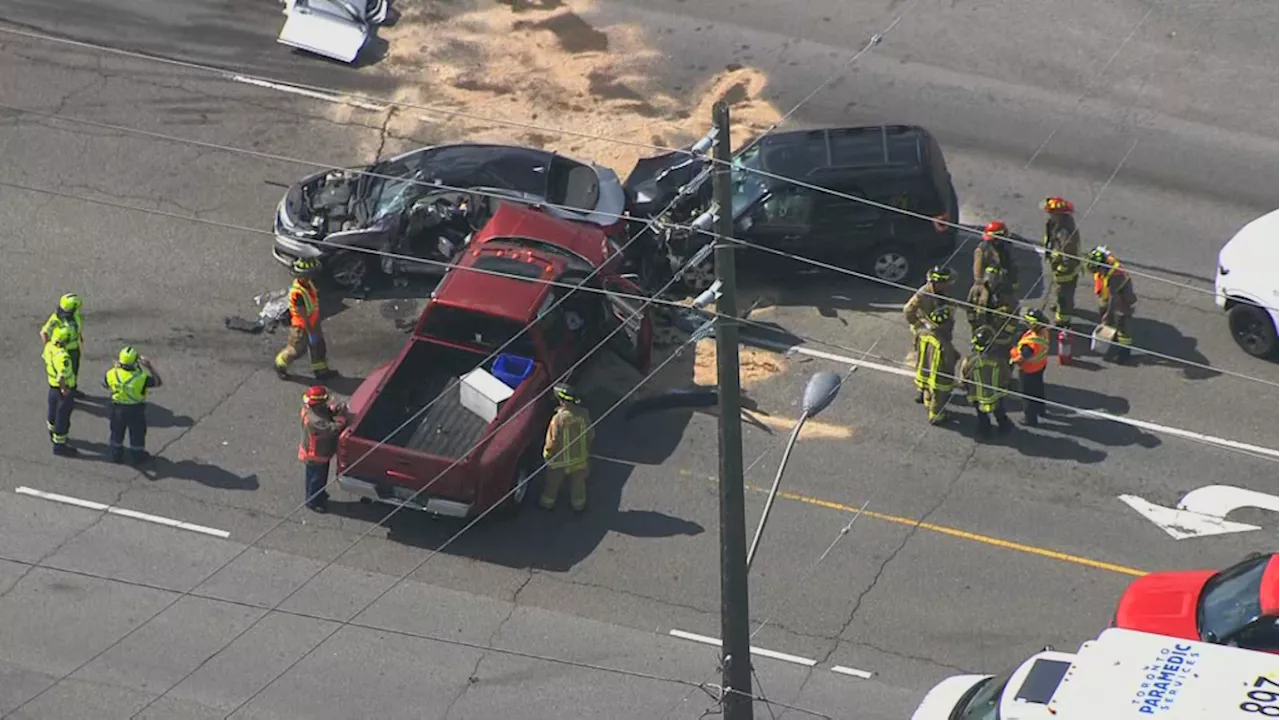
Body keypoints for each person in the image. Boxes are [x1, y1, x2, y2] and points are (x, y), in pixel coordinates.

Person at [275, 258, 337, 381]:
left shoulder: (308, 284)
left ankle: (321, 371)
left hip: (313, 322)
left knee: (319, 346)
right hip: (301, 327)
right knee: (296, 350)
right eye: (309, 274)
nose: (312, 277)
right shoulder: (298, 293)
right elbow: (303, 315)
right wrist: (311, 332)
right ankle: (279, 365)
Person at [103, 347, 162, 464]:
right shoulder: (141, 377)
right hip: (135, 409)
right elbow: (157, 382)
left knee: (116, 431)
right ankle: (137, 456)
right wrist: (149, 366)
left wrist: (115, 369)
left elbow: (105, 384)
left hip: (117, 408)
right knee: (137, 433)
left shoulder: (112, 373)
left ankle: (116, 455)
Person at [540, 383, 594, 512]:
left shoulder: (558, 419)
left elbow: (551, 442)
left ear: (562, 401)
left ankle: (547, 504)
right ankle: (578, 506)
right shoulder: (584, 414)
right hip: (579, 459)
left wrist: (547, 455)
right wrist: (586, 451)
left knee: (552, 484)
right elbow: (590, 435)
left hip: (559, 461)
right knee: (579, 485)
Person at [298, 385, 349, 513]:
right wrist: (342, 420)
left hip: (317, 452)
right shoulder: (316, 421)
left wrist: (334, 410)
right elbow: (333, 428)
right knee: (316, 478)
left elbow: (325, 412)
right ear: (318, 404)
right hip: (316, 454)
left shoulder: (310, 409)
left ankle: (318, 493)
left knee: (318, 477)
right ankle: (313, 502)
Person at [903, 265, 955, 382]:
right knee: (926, 356)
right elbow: (908, 310)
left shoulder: (944, 291)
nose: (948, 284)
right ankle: (924, 383)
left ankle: (932, 378)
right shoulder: (923, 293)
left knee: (937, 356)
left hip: (943, 329)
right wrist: (918, 325)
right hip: (927, 331)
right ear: (938, 282)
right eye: (946, 282)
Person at [960, 326, 1013, 438]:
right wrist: (1005, 384)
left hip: (976, 394)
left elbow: (964, 376)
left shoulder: (970, 360)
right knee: (999, 410)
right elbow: (1006, 375)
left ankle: (984, 430)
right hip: (996, 393)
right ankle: (1004, 426)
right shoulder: (999, 360)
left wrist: (965, 386)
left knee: (981, 414)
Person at [1088, 245, 1138, 364]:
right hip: (1110, 295)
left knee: (1123, 327)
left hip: (1122, 300)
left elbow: (1113, 298)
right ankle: (1112, 341)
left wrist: (1108, 314)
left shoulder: (1115, 275)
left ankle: (1124, 354)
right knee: (1108, 320)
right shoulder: (1105, 264)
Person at [913, 306, 958, 425]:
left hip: (924, 368)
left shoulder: (922, 333)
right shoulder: (944, 343)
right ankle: (936, 416)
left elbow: (915, 345)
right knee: (939, 397)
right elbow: (950, 361)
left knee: (927, 388)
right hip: (939, 374)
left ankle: (928, 405)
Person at [1041, 197, 1082, 327]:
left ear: (1058, 214)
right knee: (1058, 289)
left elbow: (1068, 255)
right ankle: (1059, 305)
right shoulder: (1055, 223)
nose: (1049, 214)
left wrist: (1061, 269)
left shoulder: (1065, 232)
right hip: (1058, 265)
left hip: (1066, 271)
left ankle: (1063, 320)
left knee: (1064, 295)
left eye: (1051, 212)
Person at [1009, 309, 1051, 427]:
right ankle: (1041, 410)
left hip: (1028, 371)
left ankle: (1030, 419)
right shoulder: (1044, 332)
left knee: (1027, 395)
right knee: (1038, 390)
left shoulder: (1030, 343)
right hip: (1040, 367)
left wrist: (1012, 360)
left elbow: (1022, 358)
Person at [40, 293, 85, 398]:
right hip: (62, 351)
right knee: (62, 372)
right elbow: (44, 332)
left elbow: (76, 326)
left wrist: (80, 336)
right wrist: (49, 347)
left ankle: (72, 389)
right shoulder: (56, 318)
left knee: (74, 370)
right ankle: (62, 392)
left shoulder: (76, 314)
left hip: (74, 348)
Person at [43, 327, 78, 456]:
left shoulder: (49, 348)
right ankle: (59, 446)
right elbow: (61, 376)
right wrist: (64, 389)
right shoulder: (63, 356)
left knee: (52, 412)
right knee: (62, 418)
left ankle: (52, 434)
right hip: (62, 390)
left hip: (52, 388)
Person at [973, 220, 1018, 294]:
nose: (995, 242)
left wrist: (1014, 281)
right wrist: (980, 283)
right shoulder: (982, 249)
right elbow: (978, 268)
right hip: (987, 282)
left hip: (1004, 282)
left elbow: (1012, 265)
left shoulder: (1007, 246)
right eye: (993, 239)